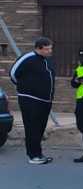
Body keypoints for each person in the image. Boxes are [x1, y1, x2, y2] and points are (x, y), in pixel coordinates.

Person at [10, 37, 55, 165]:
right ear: (39, 48)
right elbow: (13, 73)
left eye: (51, 48)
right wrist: (25, 88)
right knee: (32, 128)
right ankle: (33, 155)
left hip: (45, 101)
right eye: (48, 49)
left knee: (40, 128)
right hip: (30, 99)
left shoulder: (46, 60)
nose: (50, 51)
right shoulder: (28, 58)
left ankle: (38, 153)